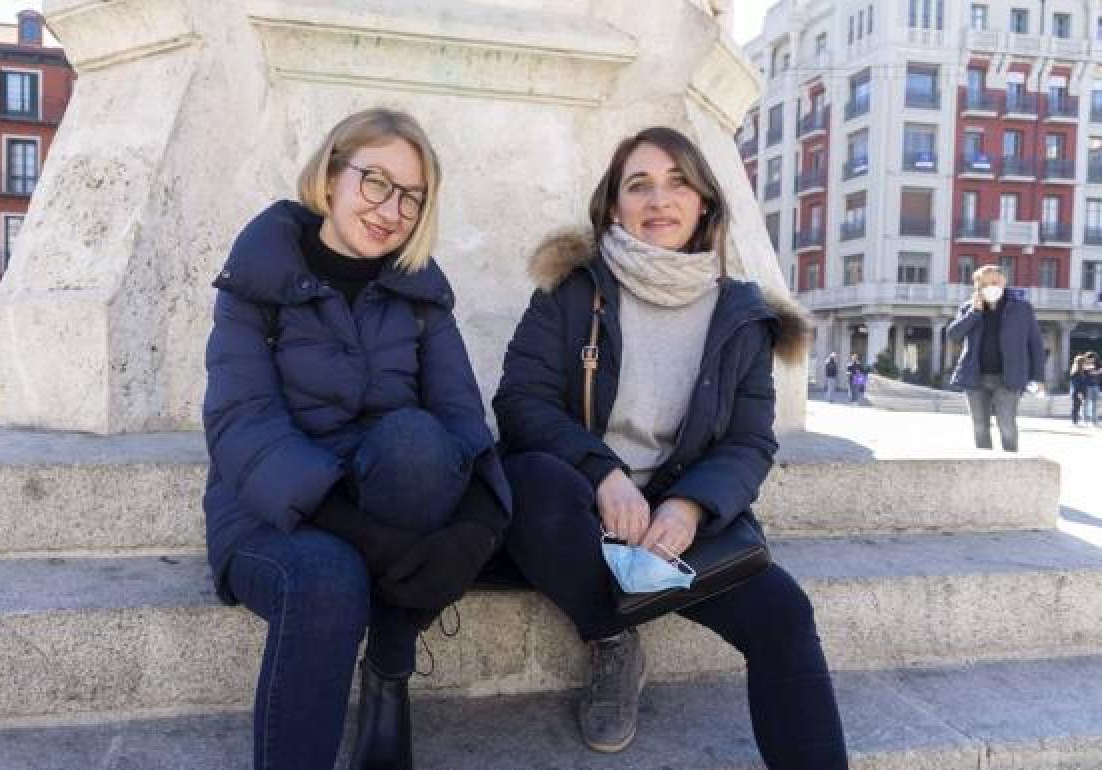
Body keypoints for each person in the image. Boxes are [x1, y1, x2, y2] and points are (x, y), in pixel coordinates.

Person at [493, 126, 848, 769]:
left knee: (785, 614)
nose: (661, 199)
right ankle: (611, 636)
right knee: (535, 486)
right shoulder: (574, 291)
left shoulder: (742, 315)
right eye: (640, 185)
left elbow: (748, 440)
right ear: (615, 207)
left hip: (676, 520)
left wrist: (690, 506)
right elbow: (521, 402)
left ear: (706, 202)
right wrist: (602, 472)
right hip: (580, 508)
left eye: (678, 182)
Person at [202, 108, 511, 770]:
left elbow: (464, 424)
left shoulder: (423, 297)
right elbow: (241, 423)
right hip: (269, 512)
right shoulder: (259, 278)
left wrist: (481, 528)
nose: (391, 208)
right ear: (332, 173)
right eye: (376, 181)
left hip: (390, 491)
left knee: (417, 440)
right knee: (328, 576)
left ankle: (389, 667)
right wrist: (363, 536)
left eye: (411, 196)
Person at [946, 265, 1045, 452]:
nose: (991, 286)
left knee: (1007, 425)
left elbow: (1035, 344)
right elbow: (953, 335)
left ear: (1003, 282)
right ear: (978, 286)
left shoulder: (1022, 309)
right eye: (985, 283)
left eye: (994, 282)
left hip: (1009, 378)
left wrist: (1038, 377)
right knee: (979, 427)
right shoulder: (968, 308)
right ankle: (985, 467)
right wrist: (974, 313)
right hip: (975, 377)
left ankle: (1011, 465)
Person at [1082, 352, 1101, 427]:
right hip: (1087, 386)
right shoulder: (1084, 365)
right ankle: (1085, 420)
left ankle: (1094, 421)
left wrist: (1094, 372)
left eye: (1093, 358)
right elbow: (1087, 372)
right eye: (1090, 358)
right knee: (1085, 403)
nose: (1092, 360)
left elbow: (1099, 371)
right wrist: (1094, 371)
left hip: (1095, 386)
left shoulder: (1097, 364)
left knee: (1095, 404)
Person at [1070, 354, 1088, 426]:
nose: (1085, 364)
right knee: (1076, 407)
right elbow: (1076, 384)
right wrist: (1079, 393)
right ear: (1081, 363)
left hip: (1080, 392)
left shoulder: (1082, 372)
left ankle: (1076, 420)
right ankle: (1075, 421)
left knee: (1078, 406)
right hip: (1077, 392)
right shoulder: (1076, 372)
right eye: (1084, 362)